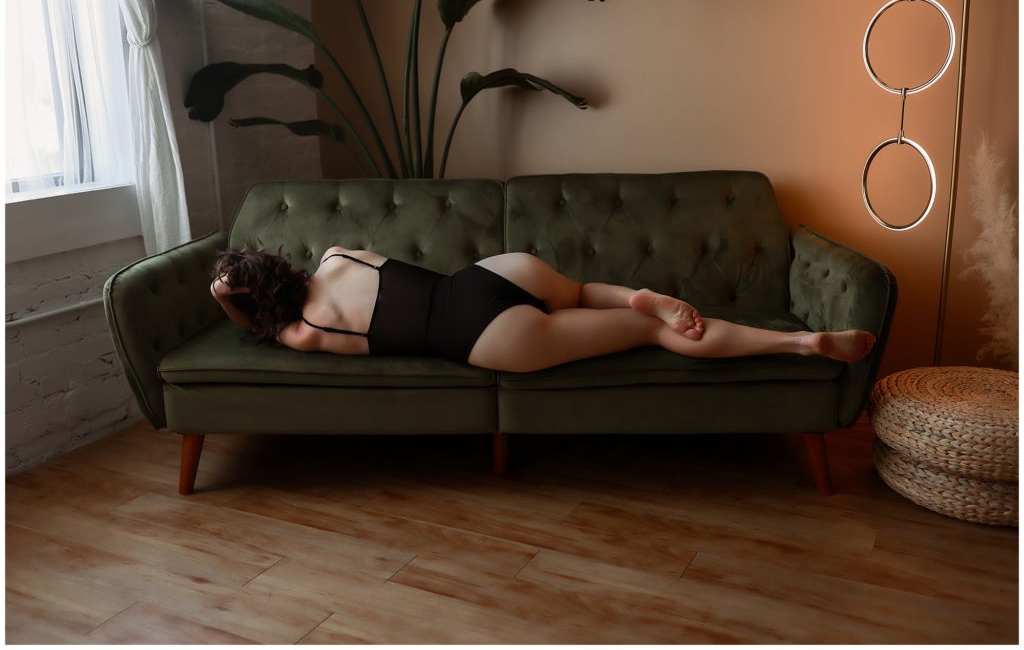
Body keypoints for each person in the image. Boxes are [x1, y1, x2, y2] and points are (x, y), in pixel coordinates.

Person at [210, 245, 876, 373]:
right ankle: (636, 295)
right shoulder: (337, 255)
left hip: (486, 335)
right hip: (491, 275)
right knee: (585, 291)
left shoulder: (304, 331)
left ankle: (795, 345)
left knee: (653, 335)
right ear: (275, 265)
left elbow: (260, 326)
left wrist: (227, 300)